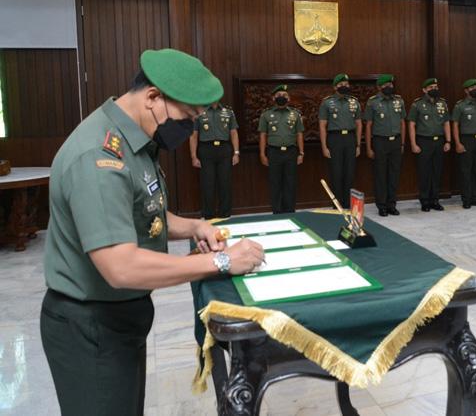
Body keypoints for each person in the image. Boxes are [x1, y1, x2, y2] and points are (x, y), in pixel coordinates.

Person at [40, 48, 264, 416]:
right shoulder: (100, 157)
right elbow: (121, 267)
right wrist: (220, 261)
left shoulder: (134, 141)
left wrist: (194, 225)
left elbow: (145, 213)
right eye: (186, 117)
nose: (188, 128)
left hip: (117, 318)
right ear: (153, 98)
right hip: (90, 326)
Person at [258, 84, 305, 214]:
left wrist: (301, 153)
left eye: (284, 95)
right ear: (273, 98)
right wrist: (262, 154)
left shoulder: (295, 114)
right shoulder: (266, 115)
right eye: (278, 95)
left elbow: (299, 134)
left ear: (289, 98)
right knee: (275, 183)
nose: (281, 97)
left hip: (291, 152)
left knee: (290, 183)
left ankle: (289, 211)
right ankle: (277, 212)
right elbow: (262, 135)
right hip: (274, 152)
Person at [364, 74, 406, 217]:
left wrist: (402, 143)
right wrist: (369, 147)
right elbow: (368, 125)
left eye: (391, 84)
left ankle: (391, 204)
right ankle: (381, 206)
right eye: (386, 85)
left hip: (396, 141)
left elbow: (402, 123)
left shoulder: (399, 100)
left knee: (394, 174)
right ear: (379, 87)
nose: (389, 87)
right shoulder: (373, 102)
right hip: (380, 141)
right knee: (380, 175)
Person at [318, 73, 362, 208]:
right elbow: (322, 125)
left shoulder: (354, 102)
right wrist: (324, 147)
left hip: (350, 138)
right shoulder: (327, 102)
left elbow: (359, 124)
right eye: (341, 84)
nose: (344, 86)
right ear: (335, 87)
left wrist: (358, 145)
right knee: (336, 173)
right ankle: (337, 204)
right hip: (334, 139)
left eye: (346, 84)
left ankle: (348, 204)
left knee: (349, 172)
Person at [189, 101, 240, 219]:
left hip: (224, 149)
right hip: (206, 150)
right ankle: (208, 215)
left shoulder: (228, 112)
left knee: (225, 182)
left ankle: (225, 214)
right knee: (207, 184)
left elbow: (233, 133)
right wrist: (193, 156)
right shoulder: (199, 112)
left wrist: (236, 153)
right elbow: (193, 135)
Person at [407, 78, 451, 212]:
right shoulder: (417, 104)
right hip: (424, 141)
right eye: (430, 87)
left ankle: (435, 200)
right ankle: (425, 200)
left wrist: (448, 141)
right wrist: (413, 144)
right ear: (424, 90)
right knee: (424, 172)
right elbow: (411, 124)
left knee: (437, 171)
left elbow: (446, 123)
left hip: (439, 141)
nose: (434, 89)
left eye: (435, 86)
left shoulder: (442, 104)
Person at [452, 78, 476, 209]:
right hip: (466, 140)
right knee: (466, 171)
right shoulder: (460, 105)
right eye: (473, 88)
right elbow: (455, 125)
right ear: (466, 90)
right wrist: (457, 143)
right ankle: (466, 199)